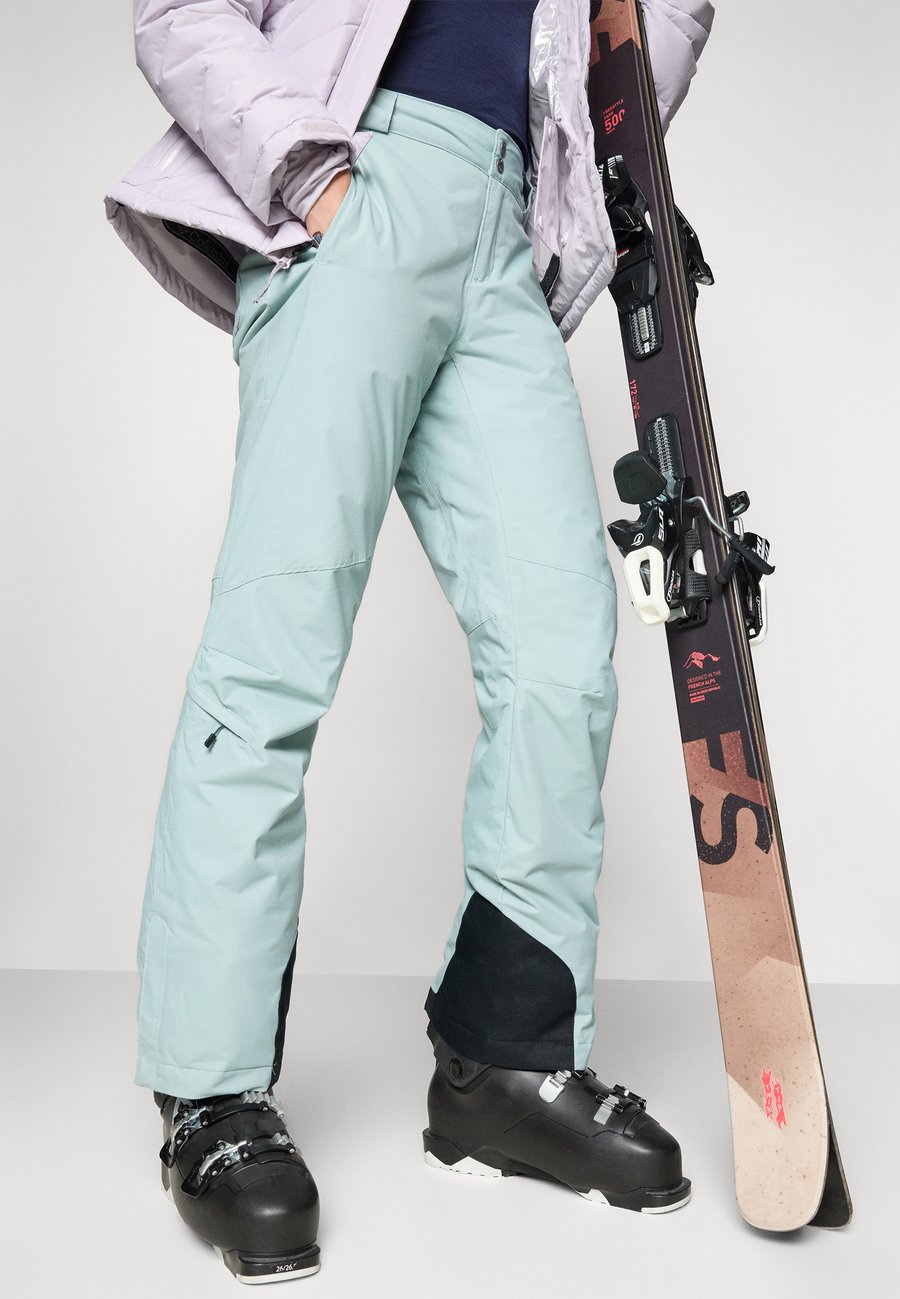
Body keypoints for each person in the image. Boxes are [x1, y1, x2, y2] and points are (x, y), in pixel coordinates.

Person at [105, 0, 715, 1284]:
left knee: (562, 653)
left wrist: (581, 190)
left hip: (505, 234)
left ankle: (505, 1062)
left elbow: (633, 58)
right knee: (274, 651)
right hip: (357, 173)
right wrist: (308, 175)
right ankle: (209, 1095)